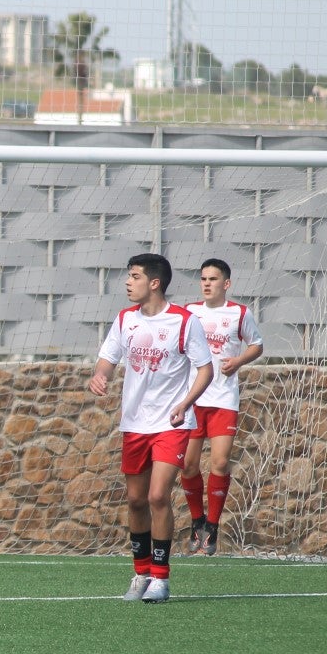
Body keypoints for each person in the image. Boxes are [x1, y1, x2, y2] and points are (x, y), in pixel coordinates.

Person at [88, 253, 213, 604]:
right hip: (134, 423)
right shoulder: (125, 319)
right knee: (136, 500)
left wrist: (186, 403)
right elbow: (108, 359)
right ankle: (140, 572)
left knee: (159, 495)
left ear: (154, 283)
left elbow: (205, 369)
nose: (129, 282)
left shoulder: (184, 322)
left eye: (135, 276)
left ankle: (161, 576)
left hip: (171, 423)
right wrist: (100, 376)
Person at [180, 258, 264, 556]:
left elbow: (256, 344)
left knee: (218, 462)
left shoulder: (239, 313)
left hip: (223, 400)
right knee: (188, 465)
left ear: (225, 284)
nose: (206, 283)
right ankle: (196, 520)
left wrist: (238, 360)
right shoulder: (189, 312)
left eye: (213, 279)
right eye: (203, 278)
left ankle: (212, 526)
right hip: (192, 399)